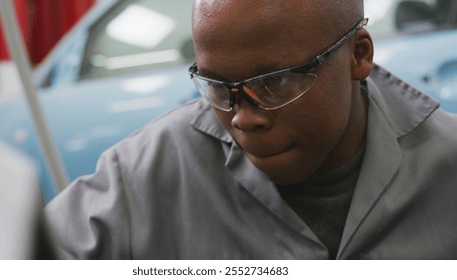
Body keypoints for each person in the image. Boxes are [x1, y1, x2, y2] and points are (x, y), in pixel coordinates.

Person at [44, 0, 457, 259]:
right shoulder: (141, 180)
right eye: (219, 87)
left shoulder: (446, 168)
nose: (243, 118)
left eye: (275, 82)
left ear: (358, 55)